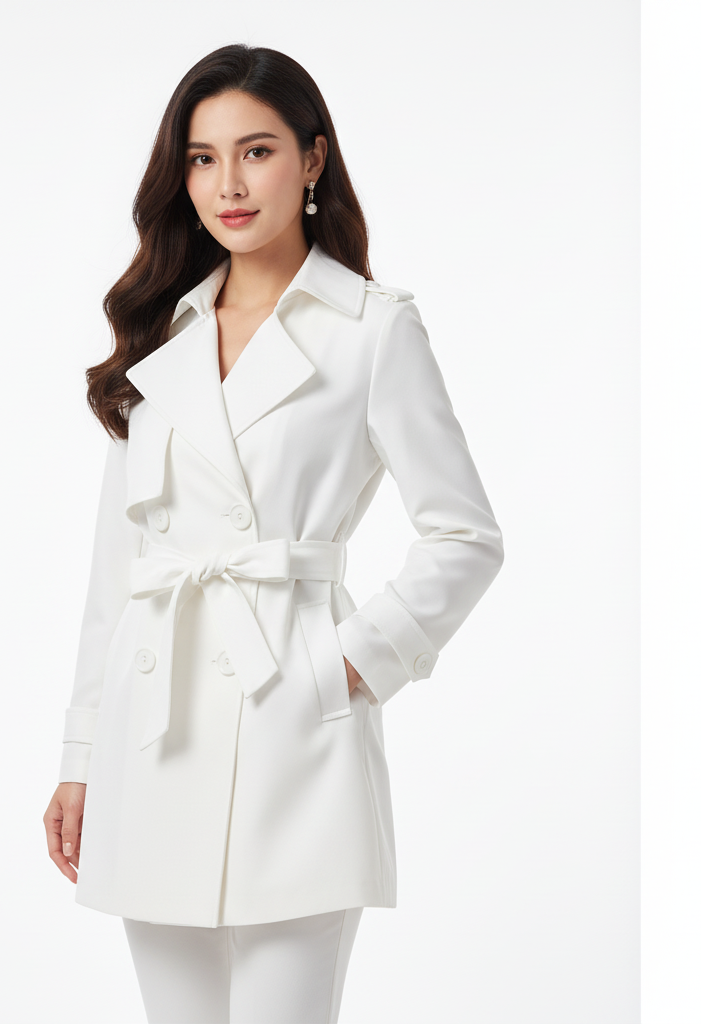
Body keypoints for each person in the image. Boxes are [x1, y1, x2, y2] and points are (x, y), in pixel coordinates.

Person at [42, 43, 504, 1024]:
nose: (228, 185)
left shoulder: (372, 328)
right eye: (202, 159)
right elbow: (118, 572)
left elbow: (464, 534)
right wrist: (81, 754)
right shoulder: (160, 336)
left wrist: (346, 665)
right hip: (154, 733)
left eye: (256, 151)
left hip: (294, 727)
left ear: (312, 158)